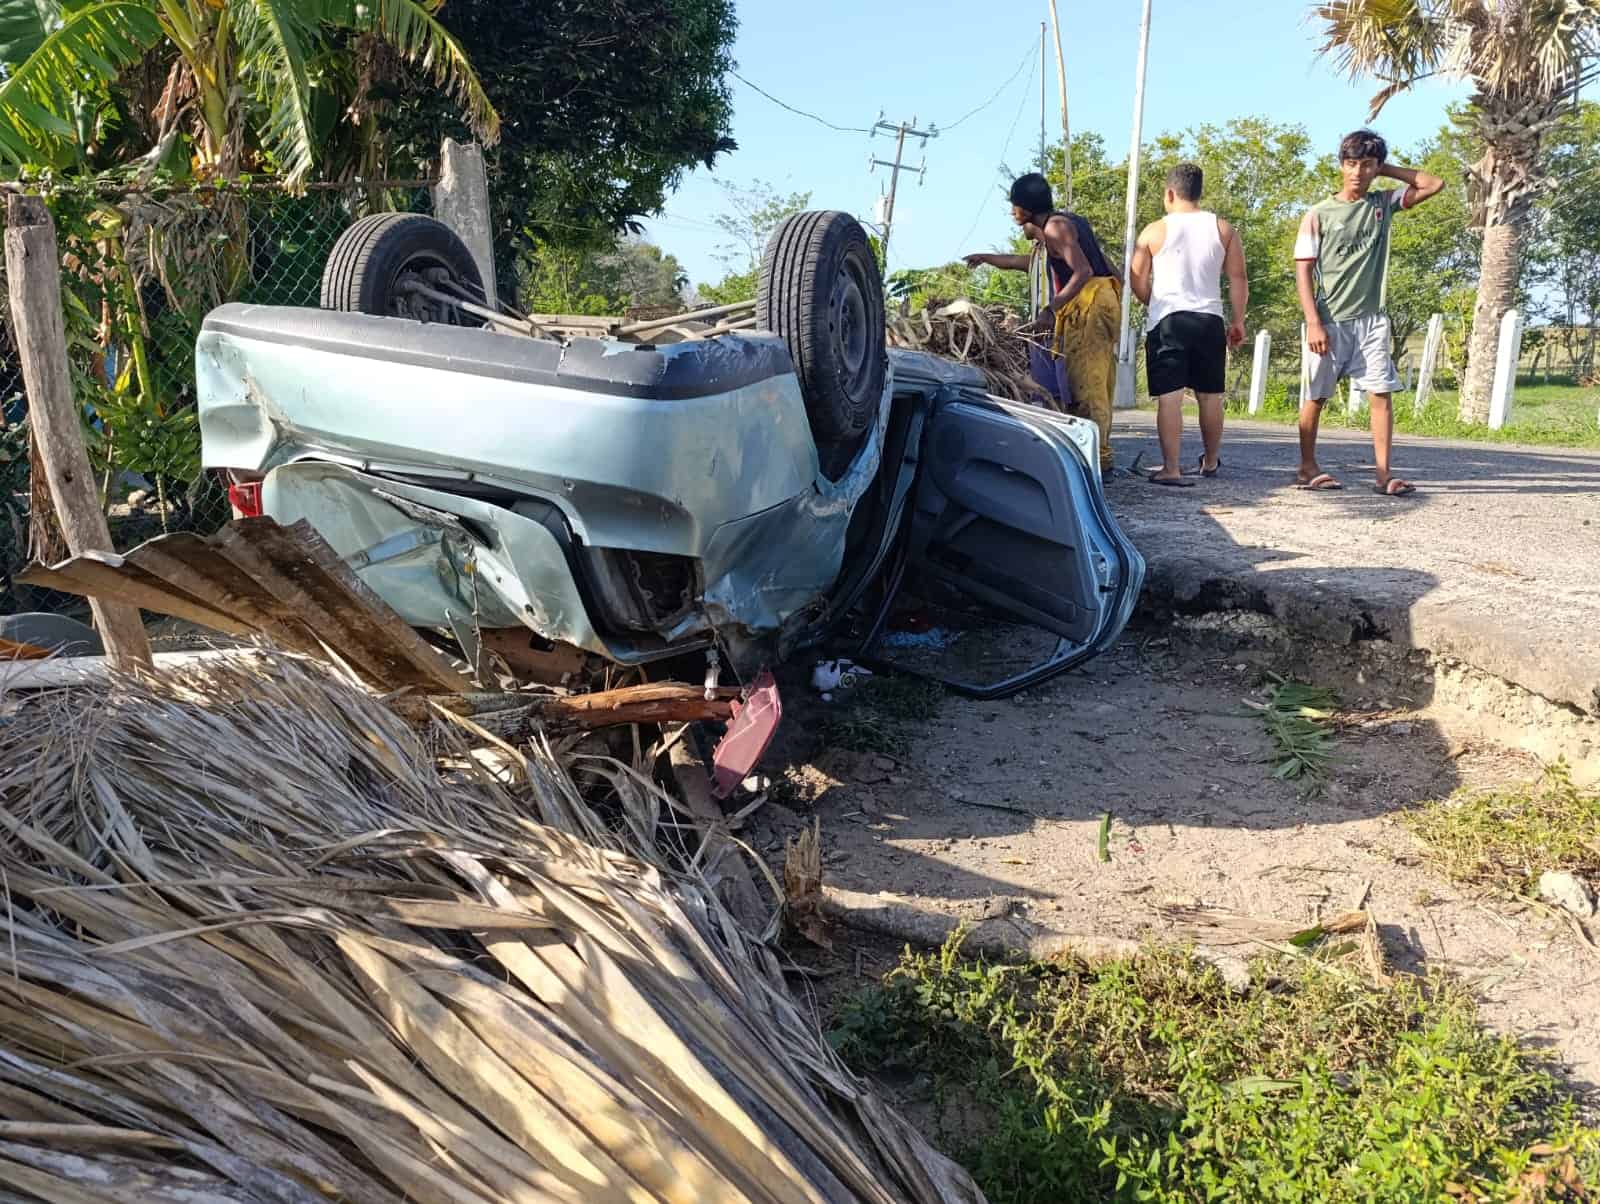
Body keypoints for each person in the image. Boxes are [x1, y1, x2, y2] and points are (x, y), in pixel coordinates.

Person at [1293, 128, 1443, 495]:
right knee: (1317, 395)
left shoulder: (1382, 204)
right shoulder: (1319, 214)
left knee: (1380, 394)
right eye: (1351, 163)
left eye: (1366, 164)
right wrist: (1314, 322)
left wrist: (1386, 169)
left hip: (1372, 320)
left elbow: (1433, 183)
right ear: (1340, 166)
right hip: (1329, 320)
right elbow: (1303, 269)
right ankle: (1306, 466)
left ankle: (1382, 474)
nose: (1357, 172)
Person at [964, 173, 1122, 478]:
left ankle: (1099, 461)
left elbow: (1085, 269)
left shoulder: (1056, 226)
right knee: (1085, 383)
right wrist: (986, 257)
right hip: (1093, 302)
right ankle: (1086, 455)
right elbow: (1017, 261)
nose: (1012, 212)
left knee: (1088, 386)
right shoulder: (1053, 236)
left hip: (1090, 302)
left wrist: (1052, 308)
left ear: (1027, 208)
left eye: (1015, 206)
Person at [1129, 162, 1248, 486]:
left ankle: (1171, 468)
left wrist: (1153, 301)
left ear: (1170, 193)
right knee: (1210, 395)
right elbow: (1237, 277)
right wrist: (1238, 320)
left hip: (1169, 319)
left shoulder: (1154, 231)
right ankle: (1209, 461)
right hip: (1209, 319)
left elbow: (1136, 279)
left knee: (1171, 396)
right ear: (1198, 192)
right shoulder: (1223, 229)